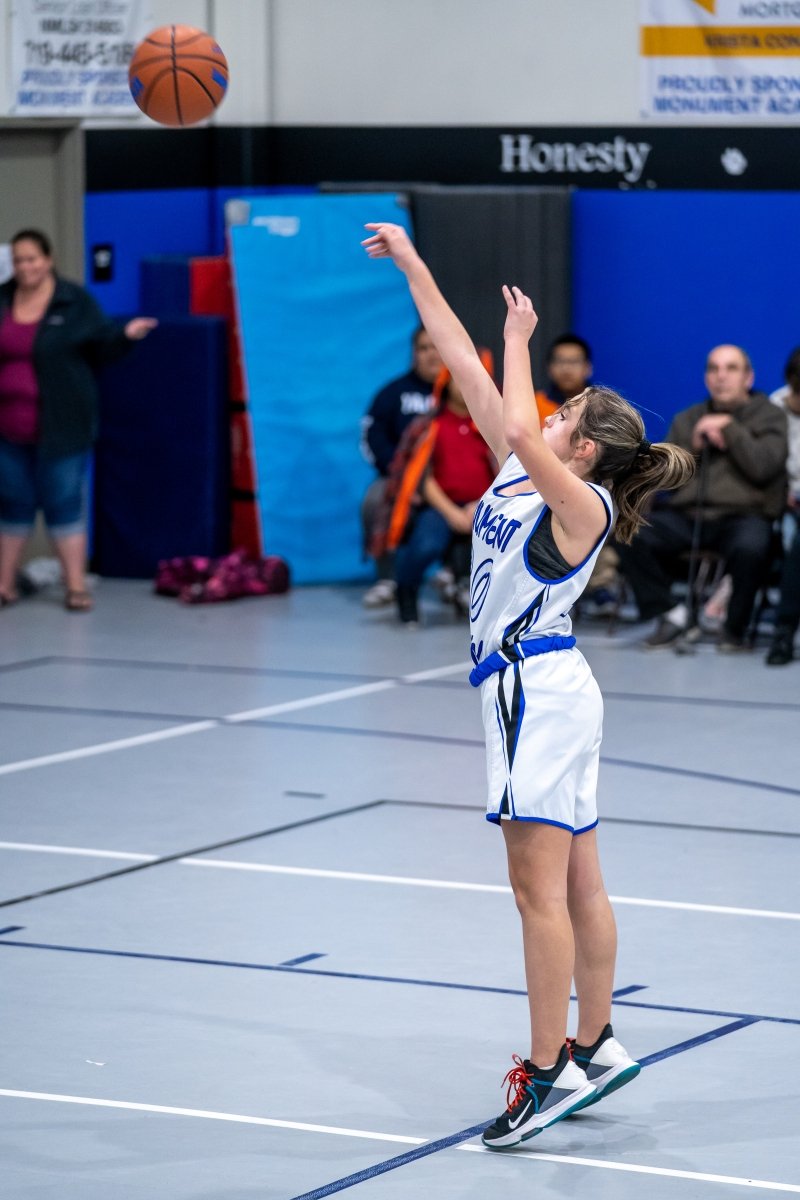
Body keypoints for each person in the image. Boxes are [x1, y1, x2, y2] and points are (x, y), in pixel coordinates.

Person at [362, 221, 694, 1148]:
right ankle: (598, 1042)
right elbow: (468, 370)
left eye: (565, 413)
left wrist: (518, 340)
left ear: (582, 450)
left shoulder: (581, 502)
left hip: (534, 693)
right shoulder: (525, 471)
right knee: (580, 880)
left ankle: (546, 1074)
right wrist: (416, 264)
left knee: (537, 894)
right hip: (551, 689)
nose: (548, 413)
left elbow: (512, 415)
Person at [0, 229, 156, 610]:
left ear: (48, 259)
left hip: (63, 426)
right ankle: (4, 584)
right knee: (12, 506)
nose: (25, 267)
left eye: (32, 259)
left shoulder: (73, 301)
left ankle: (75, 586)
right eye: (18, 260)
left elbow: (103, 344)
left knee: (64, 504)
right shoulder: (2, 299)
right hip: (9, 428)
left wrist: (127, 336)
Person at [617, 345, 788, 651]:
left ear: (748, 378)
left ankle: (733, 630)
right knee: (627, 531)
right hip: (688, 514)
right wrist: (691, 450)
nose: (721, 376)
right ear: (706, 377)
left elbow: (764, 467)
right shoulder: (688, 418)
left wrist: (730, 430)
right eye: (713, 369)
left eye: (731, 368)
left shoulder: (770, 416)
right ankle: (673, 614)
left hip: (744, 515)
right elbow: (663, 476)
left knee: (752, 547)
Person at [371, 360, 496, 625]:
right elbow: (421, 478)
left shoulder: (493, 425)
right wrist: (452, 513)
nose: (466, 385)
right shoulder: (428, 425)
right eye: (459, 378)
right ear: (445, 382)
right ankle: (405, 589)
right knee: (426, 545)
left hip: (485, 506)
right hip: (439, 505)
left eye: (474, 379)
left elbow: (506, 471)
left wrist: (479, 505)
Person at [360, 326, 442, 607]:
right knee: (374, 499)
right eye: (424, 348)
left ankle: (459, 575)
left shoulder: (462, 393)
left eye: (437, 347)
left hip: (449, 481)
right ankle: (387, 578)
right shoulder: (392, 393)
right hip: (399, 479)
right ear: (414, 353)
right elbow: (372, 437)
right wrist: (404, 480)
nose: (432, 355)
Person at [766, 346, 800, 665]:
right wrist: (782, 492)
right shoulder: (775, 406)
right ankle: (784, 631)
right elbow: (766, 464)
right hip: (784, 502)